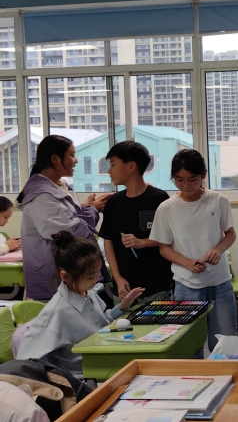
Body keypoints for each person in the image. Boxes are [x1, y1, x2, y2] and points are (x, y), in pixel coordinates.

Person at [15, 231, 143, 377]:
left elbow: (102, 321)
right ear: (65, 276)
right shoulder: (56, 313)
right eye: (90, 276)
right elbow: (24, 362)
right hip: (81, 375)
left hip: (99, 361)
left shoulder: (87, 291)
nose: (97, 279)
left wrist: (122, 307)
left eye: (98, 273)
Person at [149, 149, 238, 353]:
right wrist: (187, 263)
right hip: (186, 283)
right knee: (190, 345)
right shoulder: (167, 208)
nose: (186, 186)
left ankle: (226, 371)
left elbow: (231, 234)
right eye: (179, 180)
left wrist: (219, 249)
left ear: (203, 175)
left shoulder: (218, 200)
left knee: (225, 342)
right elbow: (164, 247)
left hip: (220, 280)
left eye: (192, 180)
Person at [16, 135, 111, 300]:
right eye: (72, 155)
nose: (76, 160)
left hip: (66, 269)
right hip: (53, 274)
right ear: (55, 159)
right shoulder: (41, 195)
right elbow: (67, 230)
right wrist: (91, 210)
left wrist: (85, 208)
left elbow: (64, 217)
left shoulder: (59, 187)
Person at [99, 141, 172, 304]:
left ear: (131, 166)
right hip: (124, 289)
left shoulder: (158, 198)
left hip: (157, 287)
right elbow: (108, 241)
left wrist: (142, 242)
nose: (109, 171)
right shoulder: (114, 202)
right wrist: (117, 278)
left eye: (113, 164)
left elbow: (171, 237)